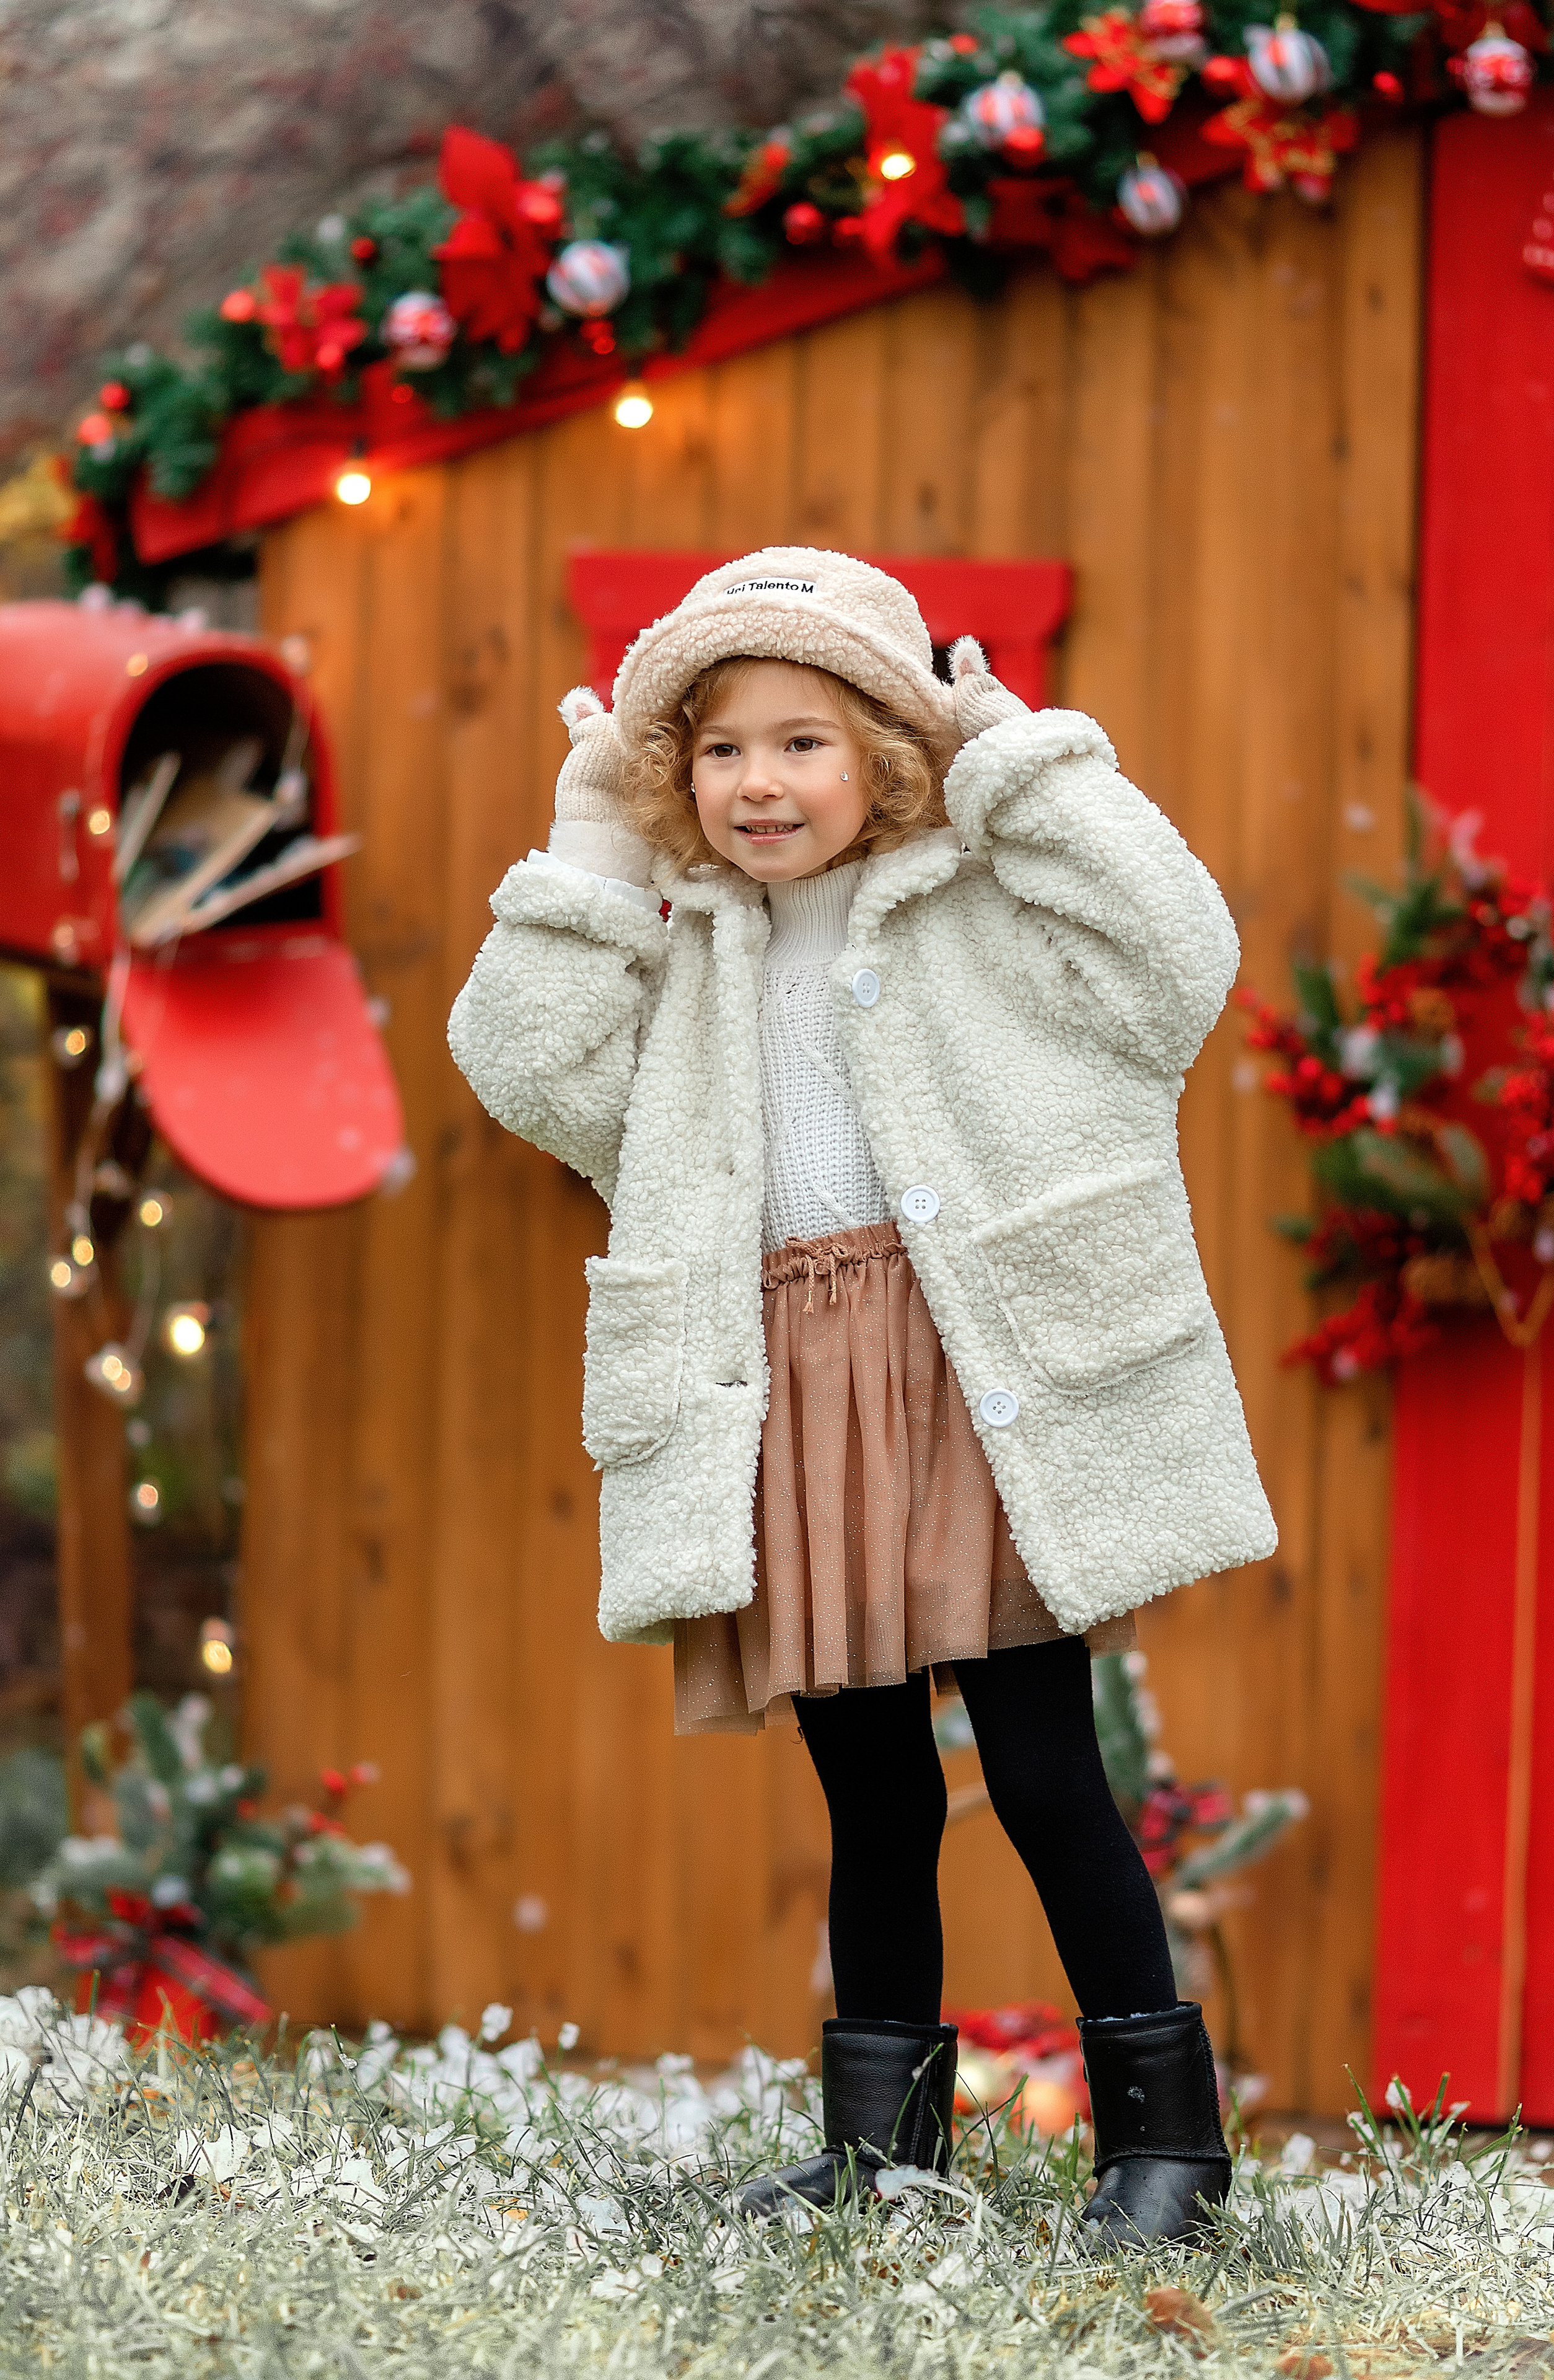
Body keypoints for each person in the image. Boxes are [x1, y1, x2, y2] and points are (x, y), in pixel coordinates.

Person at [448, 549, 1276, 2248]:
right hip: (793, 1387)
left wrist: (1014, 757)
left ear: (890, 752)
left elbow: (1177, 959)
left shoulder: (978, 893)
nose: (762, 783)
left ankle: (1167, 2148)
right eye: (724, 747)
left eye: (807, 742)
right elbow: (525, 1067)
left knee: (1049, 1770)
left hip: (977, 1369)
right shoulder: (683, 945)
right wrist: (595, 840)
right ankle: (883, 2151)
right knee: (875, 1790)